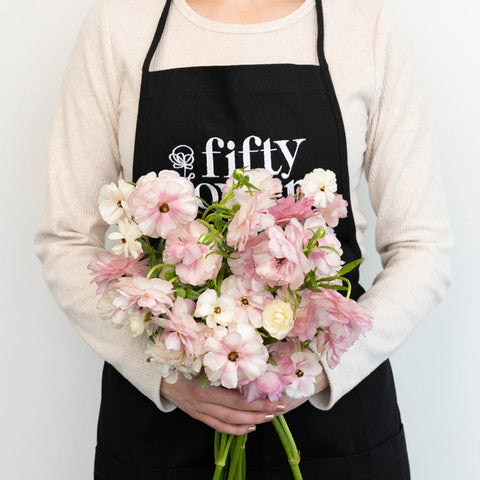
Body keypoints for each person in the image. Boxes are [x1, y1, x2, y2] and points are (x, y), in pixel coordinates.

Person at [34, 0, 451, 478]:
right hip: (162, 433)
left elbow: (422, 247)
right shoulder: (120, 25)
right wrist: (165, 373)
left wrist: (306, 375)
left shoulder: (363, 26)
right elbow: (66, 238)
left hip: (335, 430)